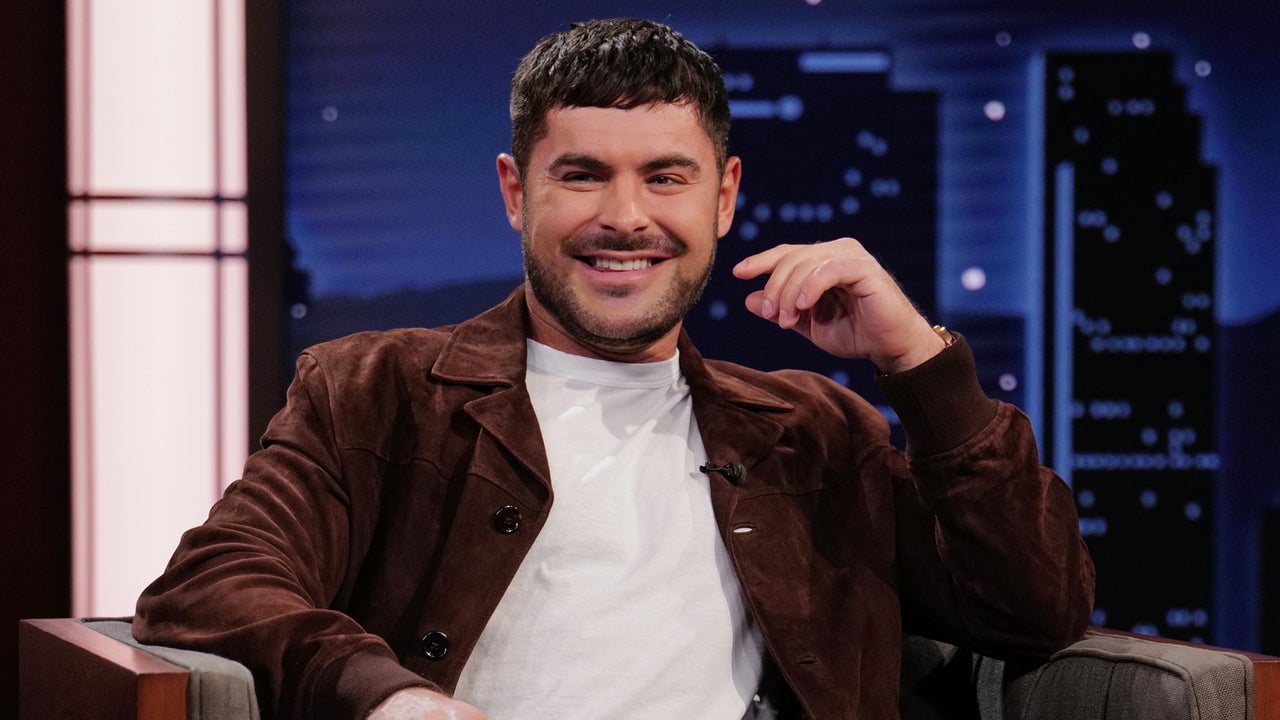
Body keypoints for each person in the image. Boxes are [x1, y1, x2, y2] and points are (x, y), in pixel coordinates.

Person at [133, 17, 1094, 720]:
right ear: (517, 193)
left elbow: (1033, 610)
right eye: (583, 174)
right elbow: (215, 581)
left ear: (724, 198)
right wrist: (387, 695)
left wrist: (916, 358)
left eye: (665, 177)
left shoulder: (811, 431)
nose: (626, 218)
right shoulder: (373, 392)